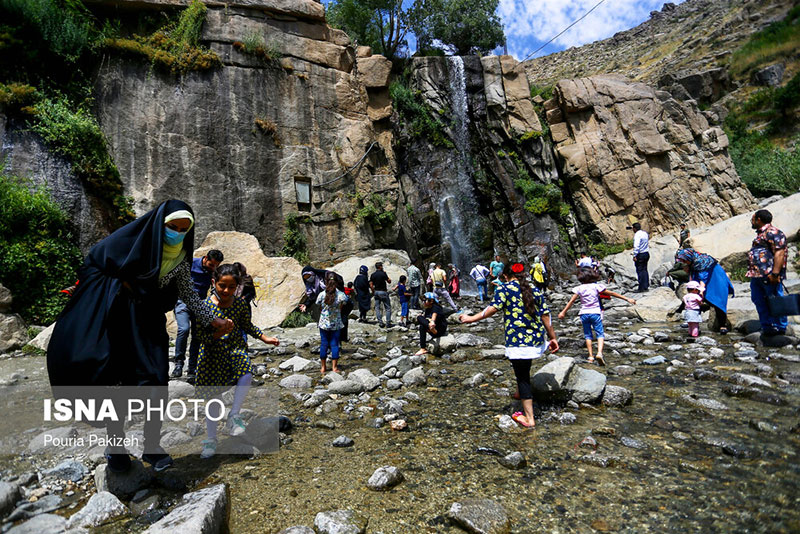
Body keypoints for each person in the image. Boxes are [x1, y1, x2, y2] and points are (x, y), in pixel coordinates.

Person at [47, 200, 234, 473]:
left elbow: (189, 295)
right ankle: (116, 448)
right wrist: (120, 282)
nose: (178, 233)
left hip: (150, 324)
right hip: (120, 323)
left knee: (157, 383)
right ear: (159, 224)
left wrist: (211, 318)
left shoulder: (181, 257)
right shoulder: (134, 244)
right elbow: (94, 262)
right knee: (117, 386)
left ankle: (153, 446)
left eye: (184, 229)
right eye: (173, 227)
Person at [459, 263, 559, 428]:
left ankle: (529, 418)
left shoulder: (504, 289)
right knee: (523, 367)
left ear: (505, 276)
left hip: (518, 342)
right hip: (535, 340)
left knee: (523, 377)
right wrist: (553, 337)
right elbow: (546, 315)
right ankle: (519, 393)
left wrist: (471, 318)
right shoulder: (534, 290)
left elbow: (492, 309)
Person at [196, 264, 279, 459]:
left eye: (231, 287)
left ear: (237, 287)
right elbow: (200, 337)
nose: (226, 291)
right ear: (213, 282)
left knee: (246, 372)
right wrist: (219, 333)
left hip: (235, 349)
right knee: (213, 400)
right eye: (222, 286)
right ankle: (211, 439)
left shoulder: (241, 304)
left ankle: (234, 415)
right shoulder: (204, 307)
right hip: (212, 354)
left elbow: (246, 325)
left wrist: (264, 337)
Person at [558, 269, 636, 366]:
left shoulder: (579, 288)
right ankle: (599, 353)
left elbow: (571, 301)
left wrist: (563, 312)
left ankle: (590, 356)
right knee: (600, 334)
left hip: (584, 314)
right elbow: (611, 293)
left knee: (587, 335)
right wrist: (627, 298)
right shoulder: (596, 286)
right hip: (595, 313)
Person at [171, 249, 223, 379]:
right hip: (182, 302)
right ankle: (178, 364)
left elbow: (215, 289)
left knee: (197, 335)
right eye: (212, 265)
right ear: (205, 258)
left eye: (216, 265)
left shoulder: (214, 272)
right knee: (184, 329)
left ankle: (192, 368)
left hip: (200, 305)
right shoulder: (190, 263)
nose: (214, 268)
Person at [747, 209, 789, 337]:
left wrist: (775, 274)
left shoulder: (773, 232)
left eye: (752, 219)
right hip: (757, 275)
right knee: (758, 299)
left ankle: (780, 327)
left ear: (758, 219)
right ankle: (767, 326)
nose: (751, 221)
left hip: (769, 274)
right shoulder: (761, 234)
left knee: (775, 299)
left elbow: (779, 253)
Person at [674, 248, 734, 334]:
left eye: (684, 260)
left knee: (718, 301)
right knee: (694, 299)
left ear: (689, 258)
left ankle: (722, 325)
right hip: (704, 280)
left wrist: (701, 291)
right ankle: (692, 322)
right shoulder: (693, 261)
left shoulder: (701, 262)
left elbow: (703, 278)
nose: (683, 262)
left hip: (716, 280)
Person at [300, 266, 352, 342]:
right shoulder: (312, 286)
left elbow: (340, 286)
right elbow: (313, 297)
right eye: (305, 277)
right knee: (330, 325)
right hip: (328, 309)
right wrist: (306, 304)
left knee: (340, 323)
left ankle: (339, 342)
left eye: (309, 276)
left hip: (339, 306)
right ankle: (334, 344)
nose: (308, 278)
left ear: (313, 273)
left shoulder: (326, 277)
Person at [317, 274, 349, 374]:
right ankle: (334, 368)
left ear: (326, 282)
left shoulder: (322, 294)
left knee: (324, 344)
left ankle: (323, 367)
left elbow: (318, 305)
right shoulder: (341, 295)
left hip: (323, 323)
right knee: (335, 345)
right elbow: (344, 304)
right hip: (336, 323)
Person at [414, 292, 449, 356]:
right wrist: (429, 325)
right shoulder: (427, 310)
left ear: (431, 301)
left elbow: (434, 315)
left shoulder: (436, 307)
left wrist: (432, 322)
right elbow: (426, 320)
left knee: (422, 320)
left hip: (440, 330)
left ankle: (432, 329)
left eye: (425, 300)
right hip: (432, 329)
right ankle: (423, 348)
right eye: (423, 301)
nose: (423, 302)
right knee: (420, 320)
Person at [370, 261, 393, 327]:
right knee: (387, 308)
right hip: (383, 291)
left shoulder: (373, 275)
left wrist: (373, 291)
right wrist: (385, 274)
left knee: (377, 308)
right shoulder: (383, 274)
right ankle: (388, 323)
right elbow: (389, 281)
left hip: (376, 292)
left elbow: (371, 285)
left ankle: (380, 322)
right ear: (380, 267)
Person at [631, 222, 650, 292]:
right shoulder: (645, 233)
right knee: (645, 269)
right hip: (646, 253)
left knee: (640, 270)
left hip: (640, 254)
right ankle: (646, 286)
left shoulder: (637, 235)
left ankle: (641, 287)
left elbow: (636, 246)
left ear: (635, 229)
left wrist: (634, 255)